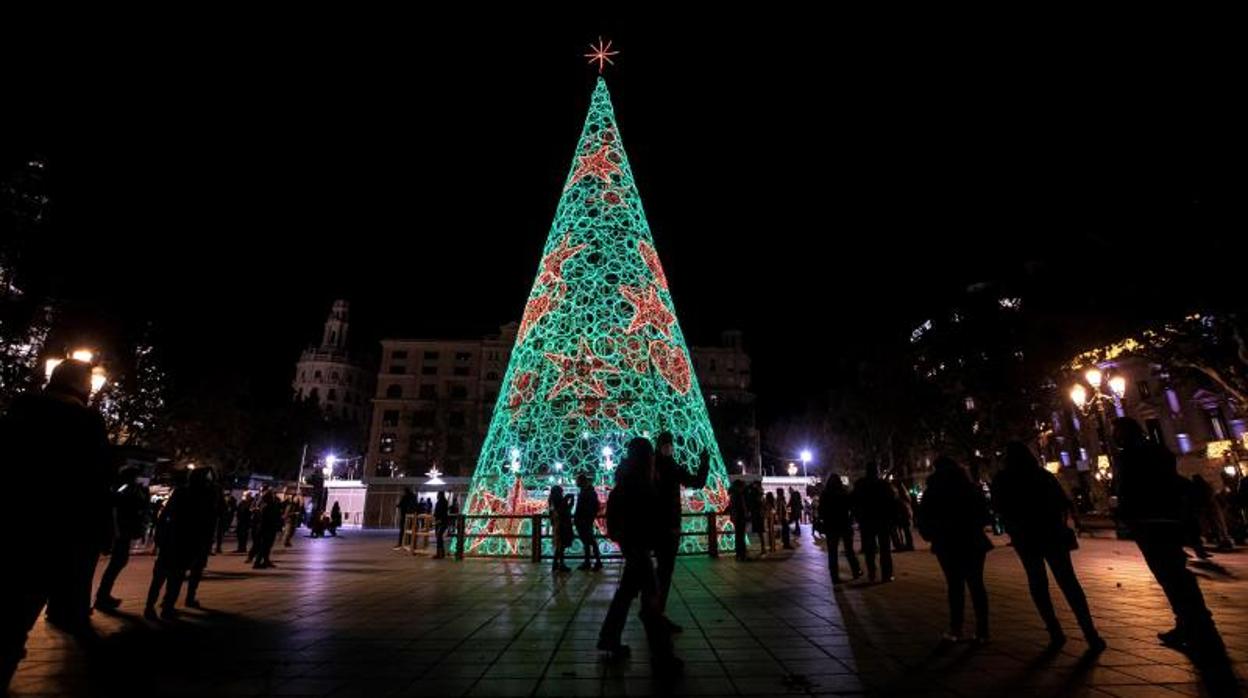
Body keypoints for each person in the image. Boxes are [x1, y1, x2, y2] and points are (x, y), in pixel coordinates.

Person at [0, 360, 111, 688]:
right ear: (81, 384)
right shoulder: (85, 419)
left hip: (9, 521)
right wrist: (100, 529)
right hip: (50, 532)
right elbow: (94, 480)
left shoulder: (18, 410)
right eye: (90, 381)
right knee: (18, 612)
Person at [1115, 418, 1224, 655]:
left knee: (1169, 575)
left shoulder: (1128, 457)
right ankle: (1199, 623)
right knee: (1178, 573)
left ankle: (1191, 625)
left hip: (1148, 522)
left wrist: (1124, 512)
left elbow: (1126, 490)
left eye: (1117, 432)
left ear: (1124, 434)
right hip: (1170, 520)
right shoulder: (1158, 451)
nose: (1114, 436)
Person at [992, 443, 1104, 651]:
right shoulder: (1042, 475)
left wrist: (1014, 526)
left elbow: (999, 508)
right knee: (1068, 581)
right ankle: (1090, 632)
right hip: (1051, 533)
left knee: (1037, 582)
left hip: (1026, 536)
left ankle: (1054, 630)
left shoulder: (1002, 479)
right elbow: (1062, 503)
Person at [599, 437, 681, 677]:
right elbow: (650, 517)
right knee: (651, 603)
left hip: (632, 548)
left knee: (625, 597)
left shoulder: (624, 482)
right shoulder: (641, 483)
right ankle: (663, 657)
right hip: (640, 550)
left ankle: (609, 639)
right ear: (647, 457)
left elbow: (615, 519)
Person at [918, 456, 992, 644]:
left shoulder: (933, 491)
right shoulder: (969, 489)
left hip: (946, 542)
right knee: (977, 585)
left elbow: (924, 518)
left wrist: (932, 534)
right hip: (972, 540)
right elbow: (984, 515)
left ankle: (956, 628)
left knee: (954, 585)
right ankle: (982, 630)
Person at [653, 432, 709, 619]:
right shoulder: (650, 468)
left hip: (671, 526)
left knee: (665, 571)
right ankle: (654, 612)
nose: (668, 447)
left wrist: (704, 463)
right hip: (656, 527)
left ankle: (657, 612)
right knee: (659, 571)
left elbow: (697, 483)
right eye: (665, 444)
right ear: (659, 445)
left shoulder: (674, 467)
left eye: (670, 444)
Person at [95, 466, 148, 611]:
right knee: (117, 563)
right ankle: (102, 596)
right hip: (122, 533)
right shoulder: (125, 489)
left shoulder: (127, 488)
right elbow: (121, 508)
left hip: (123, 532)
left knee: (118, 563)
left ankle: (103, 595)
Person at [853, 463, 897, 582]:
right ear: (876, 471)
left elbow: (854, 502)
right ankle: (886, 574)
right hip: (882, 520)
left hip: (867, 520)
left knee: (869, 549)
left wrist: (858, 516)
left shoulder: (860, 485)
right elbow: (892, 502)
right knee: (885, 548)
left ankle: (872, 573)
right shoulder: (883, 484)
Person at [818, 476, 861, 584]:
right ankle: (856, 570)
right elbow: (851, 506)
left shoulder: (825, 494)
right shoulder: (843, 493)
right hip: (844, 524)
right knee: (849, 550)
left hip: (831, 526)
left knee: (832, 552)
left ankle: (834, 576)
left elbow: (821, 510)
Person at [574, 474, 602, 570]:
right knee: (588, 541)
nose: (576, 482)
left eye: (577, 480)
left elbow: (593, 507)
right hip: (584, 520)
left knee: (589, 541)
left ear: (582, 481)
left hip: (584, 520)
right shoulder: (586, 491)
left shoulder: (588, 492)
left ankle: (594, 561)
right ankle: (590, 561)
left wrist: (587, 517)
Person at [251, 490, 283, 569]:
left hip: (266, 528)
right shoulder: (268, 506)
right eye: (272, 496)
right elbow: (271, 518)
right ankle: (257, 563)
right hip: (267, 529)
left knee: (267, 546)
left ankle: (265, 561)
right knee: (264, 546)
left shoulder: (265, 505)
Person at [548, 485, 574, 573]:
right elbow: (562, 511)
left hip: (559, 525)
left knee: (560, 545)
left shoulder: (553, 501)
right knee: (561, 545)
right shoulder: (556, 501)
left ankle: (555, 564)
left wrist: (569, 501)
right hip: (561, 525)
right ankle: (560, 564)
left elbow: (566, 509)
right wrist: (567, 499)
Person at [725, 479, 749, 561]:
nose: (743, 488)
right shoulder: (738, 495)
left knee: (738, 536)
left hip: (736, 517)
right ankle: (742, 555)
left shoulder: (733, 495)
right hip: (740, 517)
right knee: (740, 536)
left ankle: (739, 554)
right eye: (742, 486)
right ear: (739, 487)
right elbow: (741, 507)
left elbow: (730, 506)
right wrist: (745, 515)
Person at [892, 482, 915, 552]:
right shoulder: (905, 496)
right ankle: (909, 545)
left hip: (903, 515)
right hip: (906, 514)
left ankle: (904, 545)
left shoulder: (899, 499)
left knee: (903, 530)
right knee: (906, 531)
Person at [747, 482, 766, 555]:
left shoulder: (755, 494)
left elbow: (756, 503)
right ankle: (763, 548)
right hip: (757, 514)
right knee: (760, 532)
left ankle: (763, 548)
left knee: (760, 532)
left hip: (757, 514)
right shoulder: (759, 494)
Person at [433, 492, 450, 559]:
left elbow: (438, 512)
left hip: (440, 521)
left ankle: (439, 553)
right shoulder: (445, 502)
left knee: (439, 537)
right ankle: (441, 553)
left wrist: (437, 518)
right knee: (439, 537)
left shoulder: (440, 502)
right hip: (443, 521)